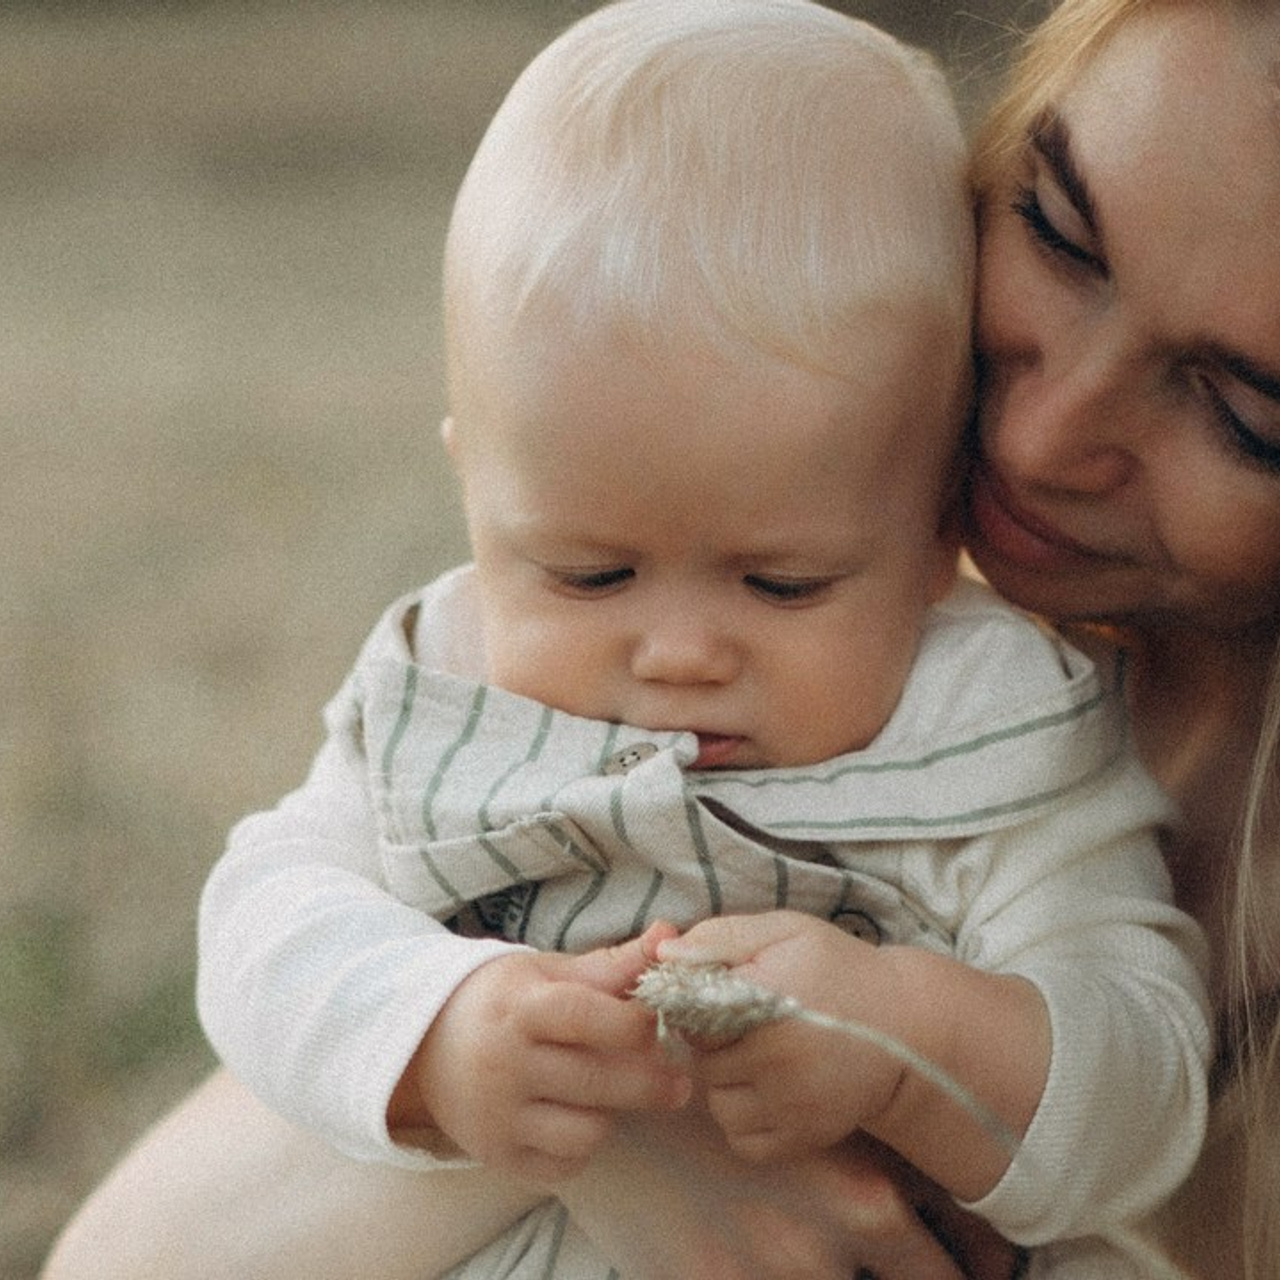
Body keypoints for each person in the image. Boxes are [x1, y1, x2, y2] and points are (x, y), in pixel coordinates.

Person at [40, 0, 1280, 1275]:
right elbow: (268, 924)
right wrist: (440, 1031)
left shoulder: (990, 728)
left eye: (784, 584)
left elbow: (1136, 1069)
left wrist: (909, 1036)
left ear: (921, 546)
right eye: (1057, 230)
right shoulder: (458, 684)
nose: (675, 654)